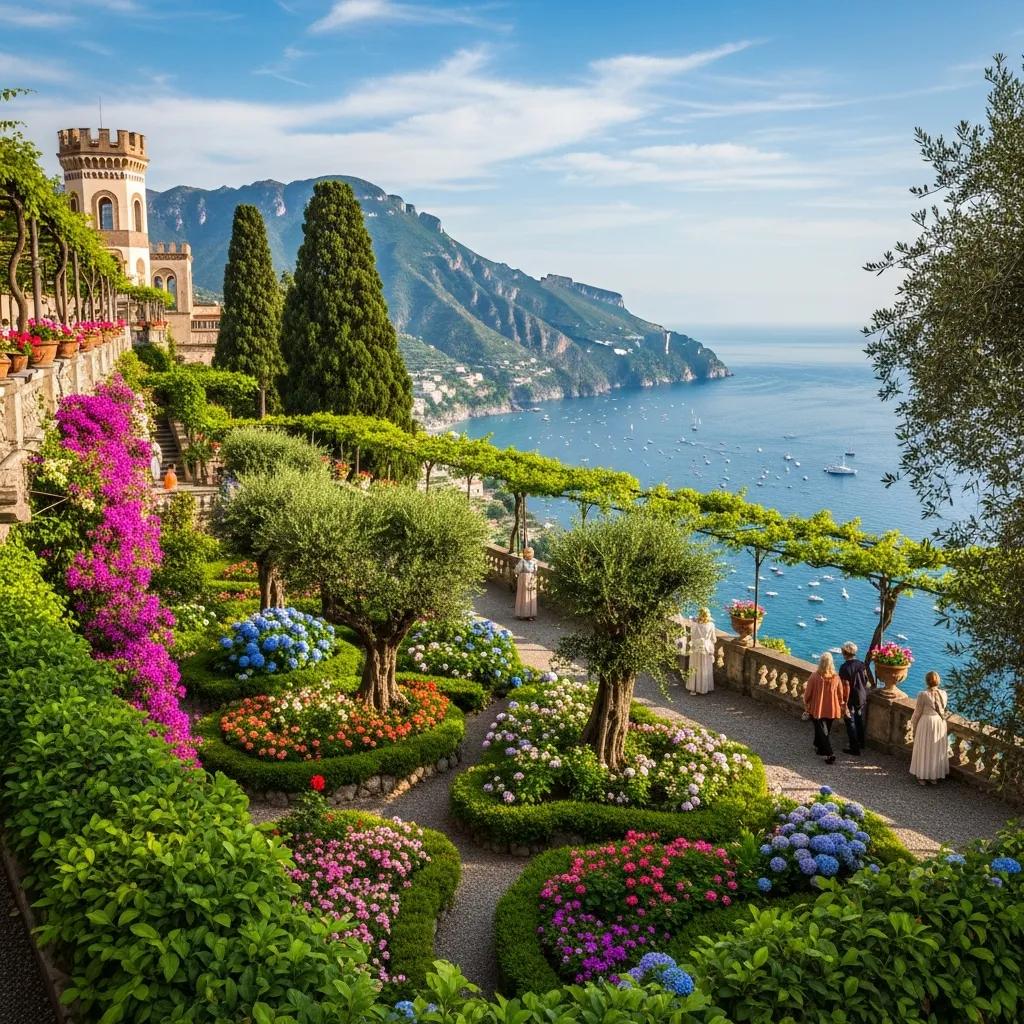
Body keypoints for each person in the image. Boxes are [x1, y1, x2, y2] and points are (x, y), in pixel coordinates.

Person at [802, 651, 848, 765]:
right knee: (824, 729)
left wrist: (806, 702)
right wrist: (841, 705)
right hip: (832, 708)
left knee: (823, 731)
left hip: (818, 708)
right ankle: (818, 746)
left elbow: (808, 693)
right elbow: (840, 694)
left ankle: (829, 753)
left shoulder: (815, 676)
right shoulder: (836, 677)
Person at [909, 670, 950, 785]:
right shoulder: (944, 694)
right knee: (935, 749)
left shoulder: (923, 694)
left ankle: (922, 776)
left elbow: (917, 712)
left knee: (924, 748)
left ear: (926, 681)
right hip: (939, 722)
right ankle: (933, 776)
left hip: (926, 722)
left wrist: (913, 725)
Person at [838, 641, 870, 755]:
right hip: (862, 695)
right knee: (859, 719)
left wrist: (844, 703)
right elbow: (866, 679)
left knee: (849, 720)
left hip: (851, 697)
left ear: (844, 653)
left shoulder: (844, 668)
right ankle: (861, 742)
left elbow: (845, 686)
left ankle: (854, 747)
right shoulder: (862, 664)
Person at [687, 607, 716, 694]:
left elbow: (692, 637)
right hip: (705, 648)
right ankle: (704, 688)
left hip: (696, 647)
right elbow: (714, 639)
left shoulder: (694, 625)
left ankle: (693, 688)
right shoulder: (711, 625)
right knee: (704, 667)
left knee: (694, 666)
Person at [514, 546, 538, 620]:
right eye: (527, 553)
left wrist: (534, 580)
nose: (529, 554)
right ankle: (522, 614)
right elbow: (517, 570)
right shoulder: (522, 561)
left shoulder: (535, 561)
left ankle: (531, 614)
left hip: (532, 579)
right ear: (525, 554)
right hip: (523, 580)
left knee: (531, 596)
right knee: (523, 596)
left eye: (530, 553)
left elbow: (536, 572)